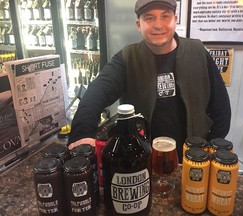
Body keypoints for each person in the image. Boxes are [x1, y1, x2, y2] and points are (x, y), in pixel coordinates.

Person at [67, 0, 231, 162]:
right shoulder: (127, 58)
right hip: (142, 160)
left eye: (165, 16)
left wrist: (210, 148)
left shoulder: (198, 52)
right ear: (139, 25)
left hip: (194, 158)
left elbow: (221, 108)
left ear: (175, 19)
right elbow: (97, 93)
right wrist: (82, 134)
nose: (158, 25)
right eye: (149, 18)